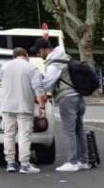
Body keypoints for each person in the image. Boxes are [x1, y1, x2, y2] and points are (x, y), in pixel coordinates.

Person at [32, 38, 89, 173]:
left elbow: (47, 84)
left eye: (39, 52)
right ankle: (83, 161)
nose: (39, 56)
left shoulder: (54, 64)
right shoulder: (66, 57)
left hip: (67, 98)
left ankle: (72, 162)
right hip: (78, 97)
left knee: (69, 131)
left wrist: (38, 79)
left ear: (45, 49)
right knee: (79, 129)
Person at [0, 47, 43, 174]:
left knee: (8, 134)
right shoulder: (31, 67)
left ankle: (10, 163)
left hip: (7, 107)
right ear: (26, 55)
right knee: (24, 135)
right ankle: (24, 164)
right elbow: (38, 88)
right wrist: (42, 107)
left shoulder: (4, 67)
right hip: (24, 106)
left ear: (14, 56)